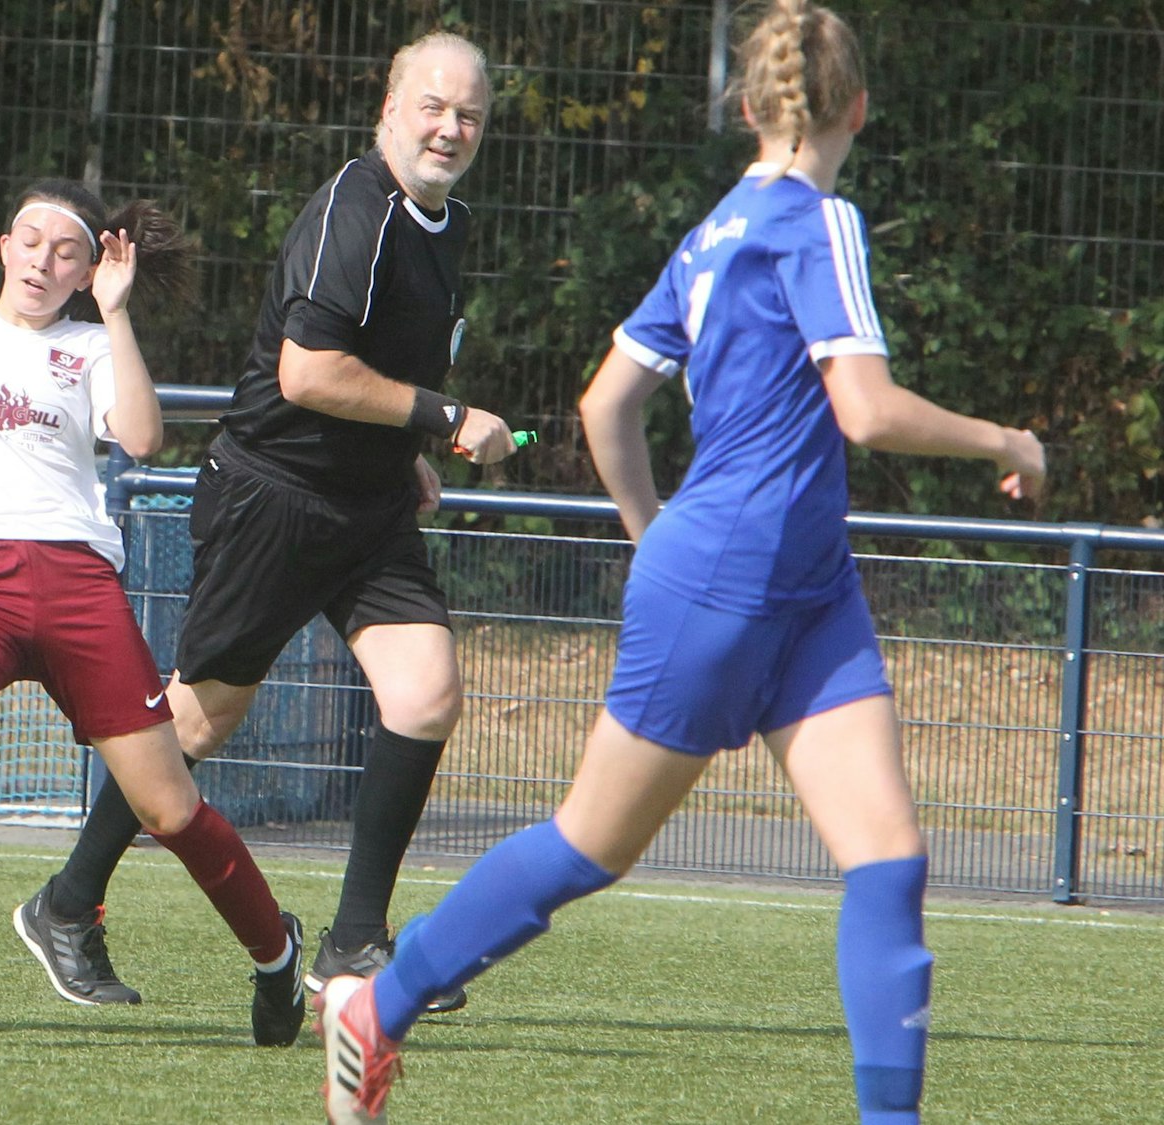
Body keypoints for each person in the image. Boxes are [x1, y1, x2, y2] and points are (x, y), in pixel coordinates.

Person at [318, 2, 1047, 1120]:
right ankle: (379, 1001)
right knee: (586, 846)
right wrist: (1005, 440)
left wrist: (652, 535)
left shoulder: (713, 229)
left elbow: (607, 403)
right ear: (854, 107)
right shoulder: (819, 219)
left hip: (799, 589)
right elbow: (862, 409)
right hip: (738, 581)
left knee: (889, 857)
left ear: (748, 108)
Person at [10, 31, 513, 1017]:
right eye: (432, 106)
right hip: (273, 498)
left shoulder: (442, 222)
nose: (448, 128)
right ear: (388, 105)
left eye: (468, 115)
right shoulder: (354, 212)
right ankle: (66, 903)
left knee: (424, 693)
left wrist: (400, 453)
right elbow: (305, 374)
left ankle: (354, 943)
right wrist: (443, 421)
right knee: (198, 718)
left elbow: (374, 369)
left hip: (362, 510)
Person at [0, 179, 309, 1046]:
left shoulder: (91, 342)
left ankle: (277, 955)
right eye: (30, 241)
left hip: (75, 580)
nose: (43, 259)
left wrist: (116, 314)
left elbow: (141, 439)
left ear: (87, 270)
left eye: (66, 251)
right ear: (3, 247)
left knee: (168, 807)